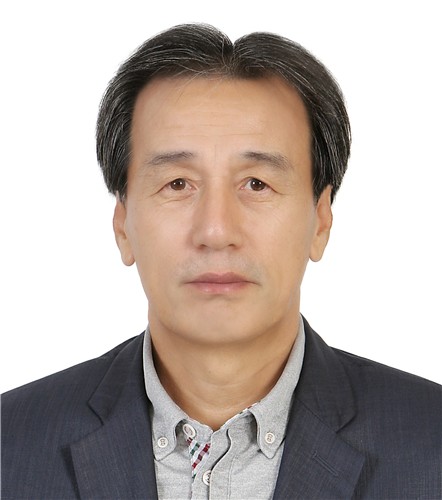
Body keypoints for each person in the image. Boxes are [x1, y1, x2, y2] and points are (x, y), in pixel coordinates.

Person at [1, 23, 441, 500]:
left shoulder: (430, 443)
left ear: (320, 220)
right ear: (123, 224)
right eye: (177, 184)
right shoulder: (11, 444)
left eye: (257, 184)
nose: (215, 231)